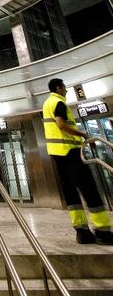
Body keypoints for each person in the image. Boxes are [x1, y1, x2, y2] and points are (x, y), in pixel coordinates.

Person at [43, 78, 113, 244]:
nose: (66, 90)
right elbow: (61, 124)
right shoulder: (58, 102)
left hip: (57, 155)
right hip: (70, 152)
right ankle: (103, 231)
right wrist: (82, 134)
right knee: (89, 189)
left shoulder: (46, 104)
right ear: (58, 88)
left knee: (71, 194)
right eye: (64, 87)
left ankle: (82, 232)